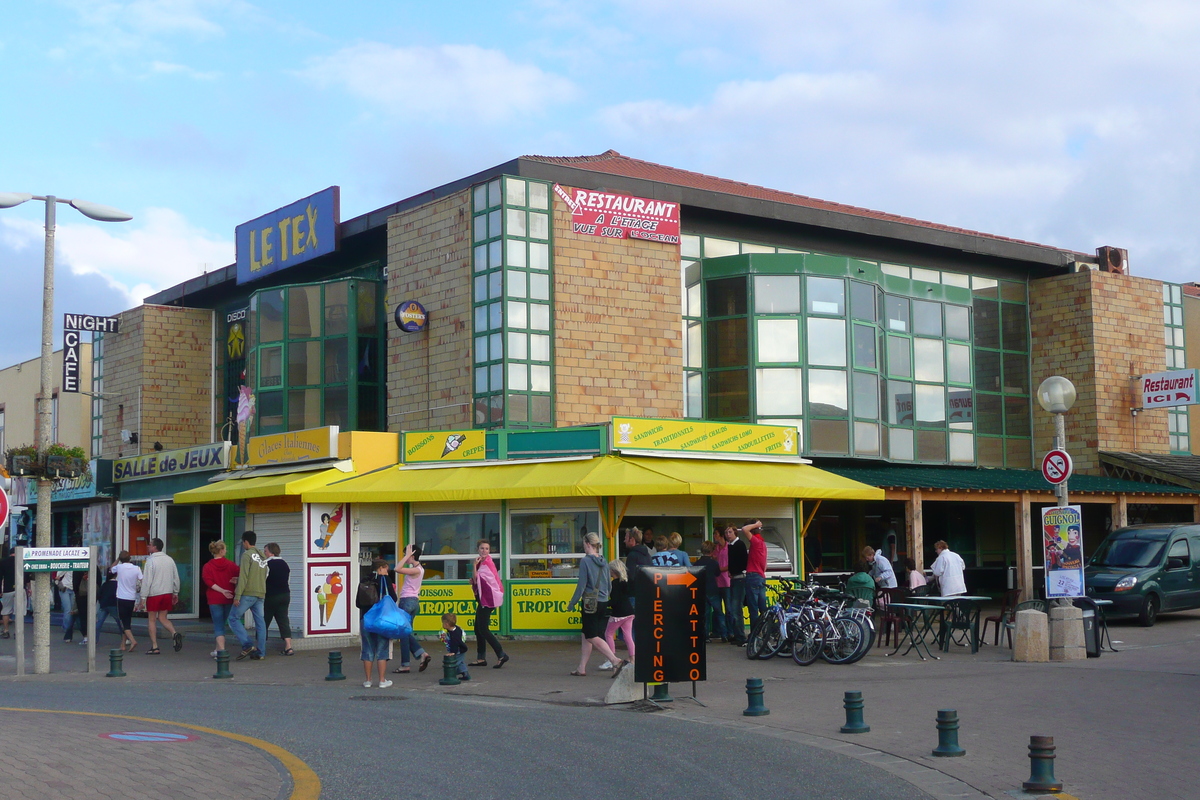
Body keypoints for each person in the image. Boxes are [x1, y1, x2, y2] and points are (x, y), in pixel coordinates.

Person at [567, 532, 625, 677]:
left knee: (592, 636)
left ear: (587, 544)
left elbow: (581, 586)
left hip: (589, 604)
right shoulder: (604, 561)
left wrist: (572, 603)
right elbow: (609, 585)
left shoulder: (585, 561)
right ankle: (581, 668)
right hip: (603, 602)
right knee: (586, 634)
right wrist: (605, 597)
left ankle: (615, 660)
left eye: (583, 544)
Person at [229, 531, 269, 660]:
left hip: (248, 594)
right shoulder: (263, 557)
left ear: (246, 542)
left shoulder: (247, 555)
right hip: (261, 594)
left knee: (233, 618)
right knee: (260, 623)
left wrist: (237, 595)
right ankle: (261, 652)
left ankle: (247, 645)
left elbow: (244, 576)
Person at [468, 540, 508, 669]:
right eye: (482, 548)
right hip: (484, 598)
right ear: (478, 549)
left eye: (486, 548)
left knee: (483, 629)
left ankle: (501, 654)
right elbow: (478, 581)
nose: (484, 551)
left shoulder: (486, 563)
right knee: (477, 628)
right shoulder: (482, 563)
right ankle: (481, 658)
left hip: (488, 599)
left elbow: (477, 578)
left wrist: (474, 566)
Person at [392, 544, 432, 674]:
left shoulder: (416, 570)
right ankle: (421, 654)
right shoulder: (419, 569)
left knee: (403, 634)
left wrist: (407, 556)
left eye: (407, 555)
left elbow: (397, 569)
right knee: (406, 633)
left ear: (412, 556)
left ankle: (405, 664)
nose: (405, 557)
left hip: (407, 601)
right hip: (414, 602)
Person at [141, 537, 182, 654]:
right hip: (167, 592)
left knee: (152, 620)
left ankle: (155, 646)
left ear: (155, 547)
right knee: (163, 617)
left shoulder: (151, 561)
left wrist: (143, 596)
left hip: (154, 593)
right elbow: (176, 577)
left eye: (150, 544)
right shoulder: (170, 560)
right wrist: (175, 592)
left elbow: (147, 580)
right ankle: (174, 633)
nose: (148, 546)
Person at [201, 540, 240, 659]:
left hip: (214, 599)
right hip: (229, 598)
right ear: (222, 551)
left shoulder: (207, 566)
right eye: (225, 549)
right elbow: (240, 576)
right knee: (224, 624)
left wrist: (221, 590)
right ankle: (219, 650)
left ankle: (220, 651)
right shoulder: (231, 565)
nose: (226, 551)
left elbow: (208, 582)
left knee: (218, 626)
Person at [361, 558, 396, 688]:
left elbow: (359, 602)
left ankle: (368, 680)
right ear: (381, 568)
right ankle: (382, 680)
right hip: (382, 619)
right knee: (382, 650)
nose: (387, 571)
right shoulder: (384, 580)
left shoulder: (365, 579)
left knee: (367, 650)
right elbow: (393, 598)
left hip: (366, 618)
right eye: (386, 568)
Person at [600, 559, 635, 671]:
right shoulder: (626, 581)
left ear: (613, 571)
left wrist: (604, 604)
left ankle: (611, 659)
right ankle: (632, 659)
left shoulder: (614, 584)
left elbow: (614, 601)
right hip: (629, 612)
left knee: (608, 634)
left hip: (618, 613)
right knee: (628, 635)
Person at [263, 542, 294, 656]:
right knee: (283, 620)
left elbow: (262, 581)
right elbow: (288, 581)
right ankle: (288, 646)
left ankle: (261, 647)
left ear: (270, 552)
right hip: (285, 595)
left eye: (265, 551)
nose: (264, 553)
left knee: (264, 621)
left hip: (271, 595)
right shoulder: (285, 564)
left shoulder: (266, 564)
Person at [110, 552, 142, 652]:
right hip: (131, 598)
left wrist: (117, 559)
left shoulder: (119, 567)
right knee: (127, 620)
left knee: (123, 622)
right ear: (130, 558)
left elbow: (111, 568)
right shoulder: (137, 568)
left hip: (121, 597)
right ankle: (123, 644)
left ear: (120, 559)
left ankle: (132, 640)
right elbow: (142, 579)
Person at [695, 540, 725, 641]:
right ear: (711, 551)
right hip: (713, 590)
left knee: (705, 614)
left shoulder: (697, 563)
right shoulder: (714, 563)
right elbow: (717, 574)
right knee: (719, 612)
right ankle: (724, 634)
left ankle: (706, 636)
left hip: (702, 590)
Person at [741, 520, 768, 634]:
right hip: (761, 577)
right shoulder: (763, 544)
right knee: (763, 607)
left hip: (752, 576)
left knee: (753, 609)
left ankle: (754, 635)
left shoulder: (755, 542)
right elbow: (765, 566)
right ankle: (766, 632)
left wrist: (756, 525)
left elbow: (744, 529)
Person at [724, 526, 749, 645]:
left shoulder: (739, 545)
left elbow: (743, 561)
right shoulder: (730, 546)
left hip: (740, 578)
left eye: (730, 532)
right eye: (726, 532)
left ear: (735, 533)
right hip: (734, 578)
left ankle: (741, 636)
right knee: (733, 607)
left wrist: (735, 570)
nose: (728, 534)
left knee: (736, 608)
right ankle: (736, 634)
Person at [440, 612, 470, 681]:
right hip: (461, 649)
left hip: (458, 650)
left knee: (455, 663)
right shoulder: (455, 629)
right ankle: (465, 674)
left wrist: (453, 652)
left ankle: (451, 675)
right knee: (461, 662)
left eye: (443, 623)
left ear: (446, 624)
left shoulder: (454, 634)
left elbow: (455, 643)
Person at [713, 532, 731, 642]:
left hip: (727, 581)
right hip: (717, 581)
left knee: (729, 608)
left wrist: (720, 569)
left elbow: (731, 564)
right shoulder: (717, 548)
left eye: (716, 534)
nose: (715, 536)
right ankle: (719, 632)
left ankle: (730, 632)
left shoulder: (729, 547)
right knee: (717, 609)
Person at [94, 567, 120, 641]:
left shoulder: (105, 584)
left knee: (99, 623)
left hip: (104, 605)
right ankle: (125, 638)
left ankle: (95, 639)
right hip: (113, 605)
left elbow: (99, 594)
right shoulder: (117, 584)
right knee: (119, 622)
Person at [56, 571, 76, 643]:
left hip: (73, 588)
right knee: (68, 609)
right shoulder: (66, 565)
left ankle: (68, 627)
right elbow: (57, 575)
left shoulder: (77, 566)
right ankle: (67, 628)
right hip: (65, 588)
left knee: (72, 610)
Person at [0, 545, 14, 638]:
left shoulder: (3, 562)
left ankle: (6, 630)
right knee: (19, 611)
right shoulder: (23, 562)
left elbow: (0, 577)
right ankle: (19, 631)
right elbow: (27, 577)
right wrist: (28, 588)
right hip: (21, 589)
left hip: (7, 589)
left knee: (6, 610)